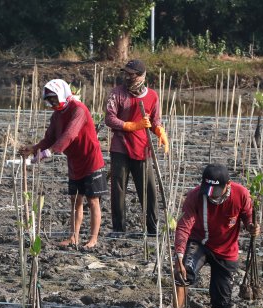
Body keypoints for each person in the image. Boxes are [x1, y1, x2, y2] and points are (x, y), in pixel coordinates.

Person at [20, 79, 107, 249]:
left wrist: (49, 152)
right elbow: (50, 138)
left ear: (62, 94)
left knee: (93, 200)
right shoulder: (56, 115)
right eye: (49, 100)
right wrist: (34, 149)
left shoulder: (79, 109)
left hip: (91, 160)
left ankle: (93, 239)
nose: (52, 103)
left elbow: (70, 135)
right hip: (74, 161)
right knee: (75, 201)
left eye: (54, 98)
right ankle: (73, 237)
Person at [171, 163, 259, 308]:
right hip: (200, 243)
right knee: (183, 274)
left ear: (228, 185)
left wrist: (251, 226)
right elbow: (184, 227)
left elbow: (247, 216)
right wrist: (178, 257)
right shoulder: (195, 196)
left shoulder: (241, 194)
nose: (212, 196)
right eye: (209, 192)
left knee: (222, 306)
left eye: (216, 193)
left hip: (226, 250)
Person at [105, 59, 169, 237]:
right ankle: (119, 229)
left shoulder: (152, 96)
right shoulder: (117, 93)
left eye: (131, 74)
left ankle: (152, 229)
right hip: (120, 147)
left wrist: (160, 132)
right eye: (125, 73)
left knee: (148, 189)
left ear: (141, 76)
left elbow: (155, 120)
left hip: (142, 148)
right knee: (118, 190)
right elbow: (109, 118)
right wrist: (131, 126)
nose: (126, 77)